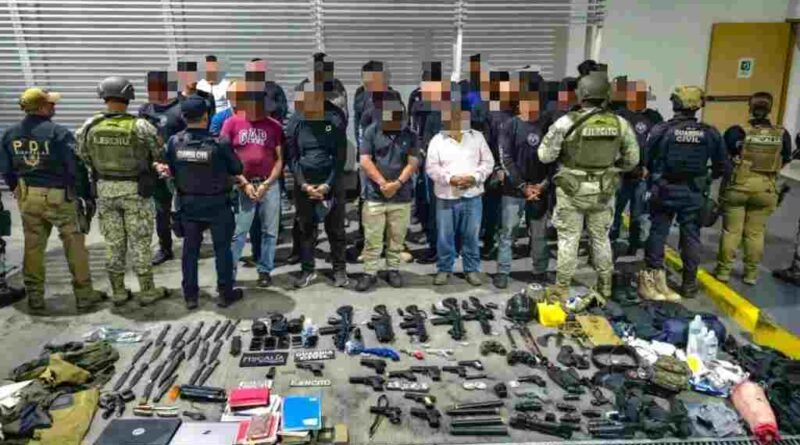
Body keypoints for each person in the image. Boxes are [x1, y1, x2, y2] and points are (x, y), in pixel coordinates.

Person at [538, 70, 640, 302]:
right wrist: (611, 168)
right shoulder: (620, 123)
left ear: (581, 94)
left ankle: (562, 289)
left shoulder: (566, 122)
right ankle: (605, 286)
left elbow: (545, 156)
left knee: (569, 240)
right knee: (601, 239)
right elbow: (632, 160)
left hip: (571, 190)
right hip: (604, 191)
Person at [0, 88, 104, 312]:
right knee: (75, 245)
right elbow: (75, 167)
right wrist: (85, 195)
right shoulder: (59, 133)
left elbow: (6, 169)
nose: (54, 106)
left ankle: (35, 298)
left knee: (33, 247)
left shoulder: (9, 135)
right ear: (41, 107)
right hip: (59, 197)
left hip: (28, 197)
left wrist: (17, 188)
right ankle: (84, 296)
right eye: (50, 104)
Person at [76, 76, 167, 306]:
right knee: (140, 242)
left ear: (104, 96)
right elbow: (159, 152)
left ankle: (118, 291)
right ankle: (147, 291)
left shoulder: (90, 125)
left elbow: (83, 155)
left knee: (113, 242)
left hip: (105, 191)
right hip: (135, 191)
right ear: (128, 97)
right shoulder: (141, 126)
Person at [640, 86, 729, 300]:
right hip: (693, 192)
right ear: (698, 106)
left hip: (664, 190)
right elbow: (722, 166)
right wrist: (705, 178)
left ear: (675, 104)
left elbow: (646, 159)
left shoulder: (662, 129)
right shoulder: (710, 132)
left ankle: (655, 279)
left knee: (658, 232)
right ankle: (689, 284)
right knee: (691, 236)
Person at [161, 95, 244, 309]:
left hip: (188, 205)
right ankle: (225, 294)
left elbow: (169, 168)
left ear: (183, 117)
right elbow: (237, 168)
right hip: (218, 204)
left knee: (190, 252)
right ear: (206, 116)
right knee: (222, 250)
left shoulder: (174, 142)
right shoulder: (219, 143)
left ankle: (191, 296)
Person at [714, 92, 792, 285]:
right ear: (769, 109)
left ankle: (723, 271)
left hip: (738, 186)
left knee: (732, 232)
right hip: (766, 188)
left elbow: (722, 157)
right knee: (755, 233)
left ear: (750, 107)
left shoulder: (736, 131)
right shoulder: (782, 134)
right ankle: (751, 274)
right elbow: (785, 158)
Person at [286, 54, 349, 289]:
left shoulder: (333, 119)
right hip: (304, 183)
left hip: (331, 182)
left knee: (336, 230)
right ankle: (307, 270)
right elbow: (292, 157)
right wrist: (303, 184)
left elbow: (339, 156)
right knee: (306, 230)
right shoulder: (296, 122)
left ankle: (340, 270)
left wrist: (328, 184)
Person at [219, 59, 284, 287]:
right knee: (239, 232)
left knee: (269, 231)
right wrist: (243, 183)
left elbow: (279, 159)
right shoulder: (231, 124)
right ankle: (229, 274)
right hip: (243, 185)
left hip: (269, 185)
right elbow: (225, 157)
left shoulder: (274, 126)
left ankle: (265, 270)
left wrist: (267, 184)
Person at [426, 86, 495, 286]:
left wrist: (474, 177)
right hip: (447, 196)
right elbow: (431, 167)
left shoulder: (477, 137)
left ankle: (471, 269)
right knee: (445, 236)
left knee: (471, 236)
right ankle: (444, 269)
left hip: (473, 195)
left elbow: (488, 162)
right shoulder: (437, 140)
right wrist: (450, 179)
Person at [494, 72, 554, 289]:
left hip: (540, 190)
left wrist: (543, 185)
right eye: (526, 100)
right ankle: (503, 271)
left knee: (539, 234)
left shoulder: (548, 125)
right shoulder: (510, 126)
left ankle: (540, 271)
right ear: (519, 102)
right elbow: (506, 159)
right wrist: (522, 186)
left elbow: (555, 157)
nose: (530, 105)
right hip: (514, 191)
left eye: (534, 100)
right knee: (508, 233)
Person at [356, 100, 419, 292]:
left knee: (396, 237)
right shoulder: (371, 131)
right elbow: (365, 161)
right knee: (372, 238)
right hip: (375, 195)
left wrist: (397, 183)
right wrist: (383, 183)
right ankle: (369, 272)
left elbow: (413, 162)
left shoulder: (410, 134)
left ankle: (393, 270)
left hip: (401, 195)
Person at [609, 77, 664, 255]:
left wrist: (651, 168)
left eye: (644, 94)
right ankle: (610, 242)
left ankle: (633, 244)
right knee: (614, 211)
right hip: (621, 174)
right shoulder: (620, 116)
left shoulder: (654, 117)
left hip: (642, 176)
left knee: (638, 214)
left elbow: (659, 145)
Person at [138, 70, 186, 266]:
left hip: (181, 166)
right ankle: (165, 248)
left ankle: (191, 242)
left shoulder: (181, 107)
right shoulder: (146, 110)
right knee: (161, 211)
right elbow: (140, 138)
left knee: (186, 207)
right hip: (156, 168)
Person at [409, 61, 444, 264]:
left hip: (442, 161)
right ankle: (432, 240)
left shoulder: (447, 101)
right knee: (424, 200)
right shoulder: (417, 97)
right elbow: (414, 127)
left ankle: (439, 247)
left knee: (438, 205)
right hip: (423, 158)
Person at [481, 70, 517, 260]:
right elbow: (486, 145)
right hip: (496, 172)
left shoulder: (519, 113)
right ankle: (490, 243)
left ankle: (507, 245)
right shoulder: (491, 114)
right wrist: (496, 168)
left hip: (517, 171)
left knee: (512, 212)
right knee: (493, 210)